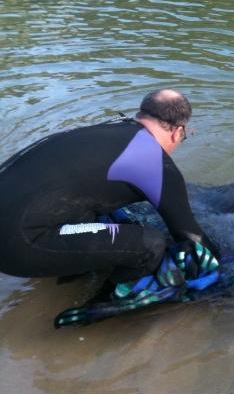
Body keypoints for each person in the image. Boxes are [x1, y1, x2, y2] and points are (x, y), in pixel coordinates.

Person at [0, 89, 219, 325]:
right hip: (16, 243)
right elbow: (191, 239)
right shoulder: (154, 161)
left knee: (107, 214)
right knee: (150, 245)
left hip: (15, 221)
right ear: (178, 132)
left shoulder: (109, 128)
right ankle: (101, 307)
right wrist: (225, 269)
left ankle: (71, 269)